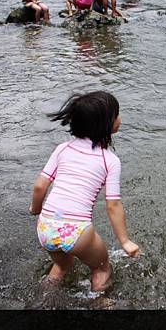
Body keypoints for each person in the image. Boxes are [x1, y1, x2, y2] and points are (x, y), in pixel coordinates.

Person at [30, 91, 140, 291]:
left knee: (62, 266)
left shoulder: (62, 148)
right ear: (107, 124)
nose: (120, 118)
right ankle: (101, 305)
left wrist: (35, 209)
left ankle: (43, 298)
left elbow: (40, 186)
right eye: (117, 114)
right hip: (77, 231)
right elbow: (113, 205)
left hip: (46, 228)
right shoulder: (110, 161)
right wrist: (125, 241)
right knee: (101, 268)